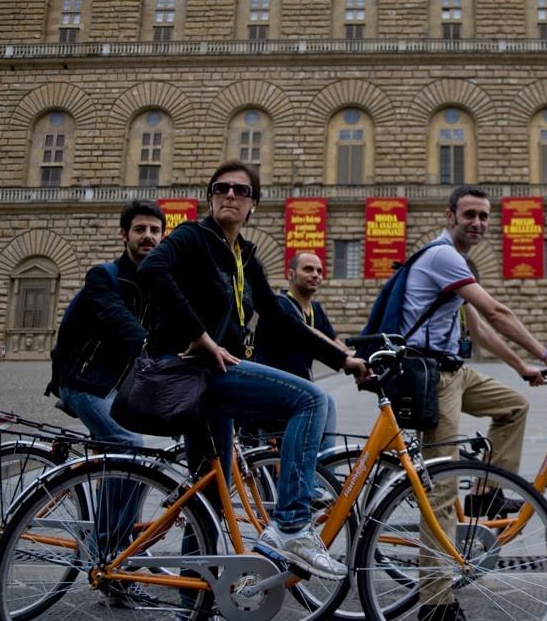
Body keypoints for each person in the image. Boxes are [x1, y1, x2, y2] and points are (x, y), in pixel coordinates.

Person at [135, 160, 368, 581]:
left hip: (210, 377)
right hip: (199, 371)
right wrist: (200, 334)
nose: (229, 195)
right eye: (221, 188)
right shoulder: (193, 237)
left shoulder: (244, 255)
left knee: (209, 495)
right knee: (312, 399)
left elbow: (280, 319)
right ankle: (293, 526)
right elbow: (151, 269)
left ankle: (194, 601)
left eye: (240, 190)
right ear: (210, 196)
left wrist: (343, 359)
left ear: (253, 205)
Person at [406, 185, 547, 621]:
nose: (478, 223)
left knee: (514, 406)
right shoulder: (443, 256)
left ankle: (485, 496)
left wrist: (520, 367)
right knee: (442, 490)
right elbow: (499, 312)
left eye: (484, 216)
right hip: (431, 375)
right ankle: (435, 602)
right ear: (450, 217)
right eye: (470, 215)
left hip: (454, 370)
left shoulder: (456, 263)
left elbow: (480, 328)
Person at [47, 199, 163, 606]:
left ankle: (119, 557)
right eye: (140, 229)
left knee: (134, 459)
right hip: (81, 381)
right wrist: (151, 346)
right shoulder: (104, 277)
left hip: (117, 388)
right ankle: (108, 548)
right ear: (125, 235)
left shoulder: (155, 283)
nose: (148, 236)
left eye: (154, 230)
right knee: (131, 447)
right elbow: (122, 323)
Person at [252, 251, 342, 453]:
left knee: (326, 402)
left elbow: (335, 342)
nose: (316, 275)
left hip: (299, 390)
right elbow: (311, 335)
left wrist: (359, 357)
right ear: (291, 274)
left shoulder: (315, 308)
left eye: (319, 270)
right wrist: (347, 361)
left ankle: (322, 472)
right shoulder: (282, 305)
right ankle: (319, 474)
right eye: (308, 269)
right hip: (274, 391)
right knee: (325, 400)